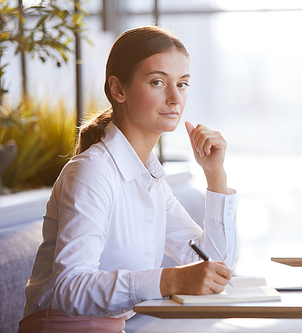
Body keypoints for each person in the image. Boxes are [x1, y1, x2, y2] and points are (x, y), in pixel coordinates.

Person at [19, 26, 238, 332]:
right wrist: (170, 279)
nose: (175, 98)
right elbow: (70, 287)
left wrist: (215, 174)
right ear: (118, 90)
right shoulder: (92, 172)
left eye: (183, 84)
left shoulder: (150, 178)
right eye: (158, 82)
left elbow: (216, 265)